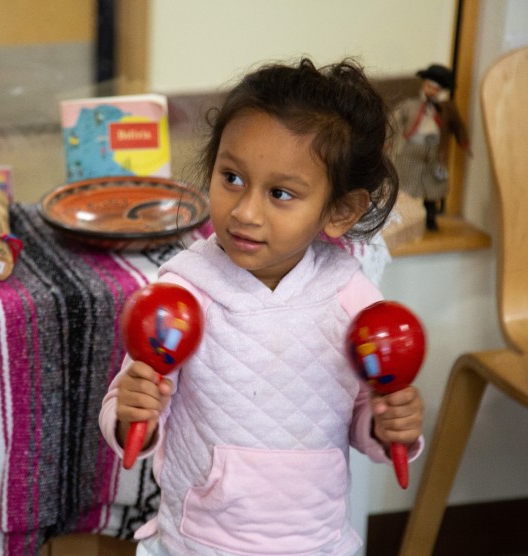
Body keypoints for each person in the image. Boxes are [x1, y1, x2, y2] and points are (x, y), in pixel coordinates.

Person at [99, 58, 424, 556]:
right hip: (196, 543)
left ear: (339, 211)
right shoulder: (182, 294)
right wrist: (131, 415)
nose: (246, 211)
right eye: (231, 177)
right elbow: (131, 413)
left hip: (318, 542)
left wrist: (387, 425)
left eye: (279, 193)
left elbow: (365, 416)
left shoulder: (355, 301)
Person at [391, 64, 470, 230]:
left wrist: (463, 141)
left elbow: (458, 127)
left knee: (432, 187)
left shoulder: (448, 108)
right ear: (423, 84)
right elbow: (394, 121)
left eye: (436, 89)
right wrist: (388, 139)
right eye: (429, 86)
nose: (431, 91)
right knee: (405, 185)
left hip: (435, 151)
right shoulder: (410, 104)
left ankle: (431, 218)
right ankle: (402, 218)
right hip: (411, 150)